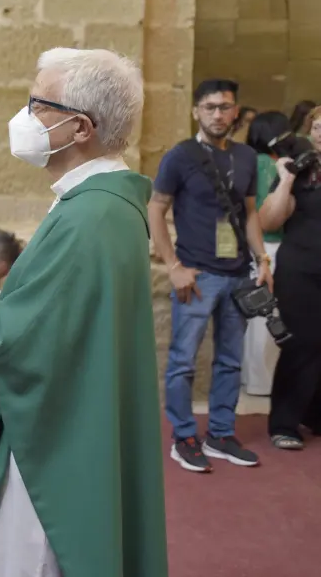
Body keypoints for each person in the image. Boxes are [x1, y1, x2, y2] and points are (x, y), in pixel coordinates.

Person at [0, 48, 168, 577]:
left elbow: (37, 342)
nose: (24, 117)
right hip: (68, 418)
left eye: (37, 103)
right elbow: (56, 320)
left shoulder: (93, 216)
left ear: (80, 128)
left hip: (50, 443)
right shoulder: (97, 203)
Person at [150, 79, 272, 473]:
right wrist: (173, 266)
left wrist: (263, 260)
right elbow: (156, 208)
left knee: (231, 361)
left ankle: (220, 433)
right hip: (198, 275)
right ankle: (184, 436)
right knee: (183, 361)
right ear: (196, 111)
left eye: (225, 107)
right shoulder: (180, 156)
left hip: (239, 273)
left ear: (236, 111)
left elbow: (250, 213)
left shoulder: (247, 157)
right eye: (210, 107)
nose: (218, 114)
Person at [258, 134, 321, 450]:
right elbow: (269, 220)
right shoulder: (300, 172)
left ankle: (314, 414)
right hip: (301, 271)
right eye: (319, 127)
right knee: (303, 343)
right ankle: (284, 423)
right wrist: (285, 179)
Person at [242, 111, 289, 396]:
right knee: (269, 315)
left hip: (255, 244)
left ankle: (253, 379)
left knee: (257, 314)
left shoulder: (250, 160)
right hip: (270, 244)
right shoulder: (268, 165)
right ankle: (265, 381)